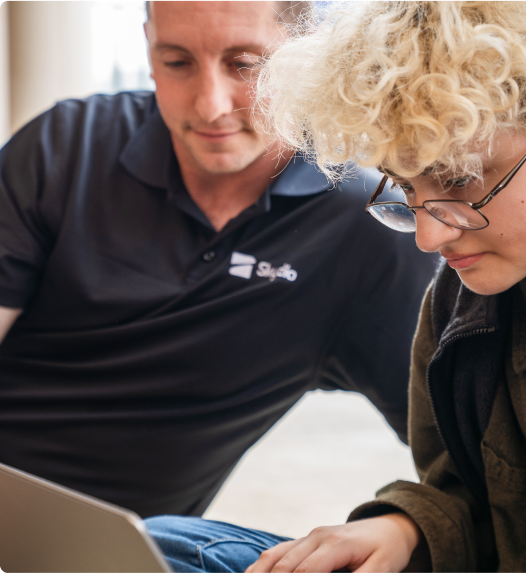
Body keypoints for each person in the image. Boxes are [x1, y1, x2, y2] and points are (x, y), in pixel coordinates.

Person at [145, 0, 526, 572]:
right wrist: (403, 527)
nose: (427, 235)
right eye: (404, 186)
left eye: (456, 178)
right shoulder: (458, 305)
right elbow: (467, 496)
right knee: (164, 545)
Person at [0, 0, 435, 519]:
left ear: (307, 54)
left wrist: (408, 522)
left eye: (245, 64)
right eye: (177, 62)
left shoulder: (363, 233)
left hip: (105, 542)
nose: (209, 106)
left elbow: (464, 452)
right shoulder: (64, 146)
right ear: (148, 42)